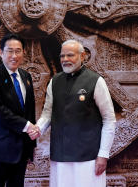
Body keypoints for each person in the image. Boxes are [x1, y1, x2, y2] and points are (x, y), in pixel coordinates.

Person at [29, 40, 116, 187]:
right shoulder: (54, 82)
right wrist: (38, 128)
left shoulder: (95, 81)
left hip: (88, 158)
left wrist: (103, 154)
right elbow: (47, 114)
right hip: (60, 156)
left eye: (70, 55)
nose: (65, 59)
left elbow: (109, 120)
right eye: (62, 56)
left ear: (82, 56)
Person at [0, 33, 38, 187]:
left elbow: (29, 111)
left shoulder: (26, 76)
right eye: (10, 51)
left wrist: (32, 144)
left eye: (18, 51)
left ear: (23, 53)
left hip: (21, 149)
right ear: (1, 52)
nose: (14, 56)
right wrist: (27, 126)